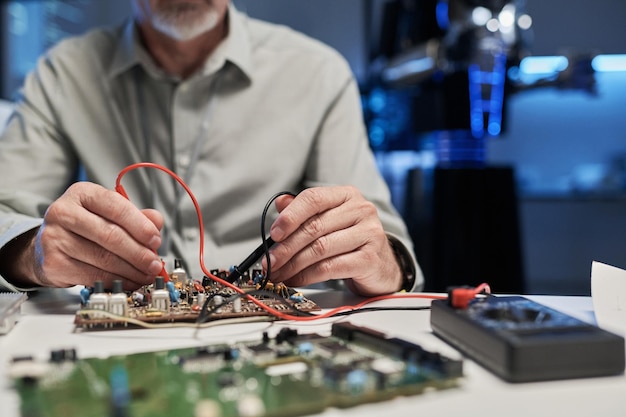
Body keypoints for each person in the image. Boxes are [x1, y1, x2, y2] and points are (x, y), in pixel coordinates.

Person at [0, 0, 423, 297]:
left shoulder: (321, 74)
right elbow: (5, 215)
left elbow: (388, 253)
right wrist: (32, 254)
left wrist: (380, 260)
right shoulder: (61, 74)